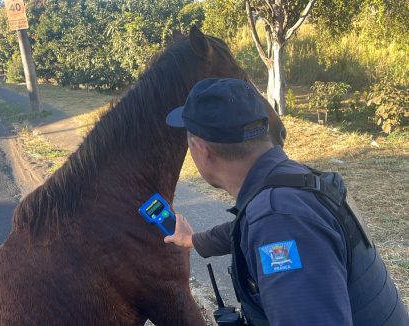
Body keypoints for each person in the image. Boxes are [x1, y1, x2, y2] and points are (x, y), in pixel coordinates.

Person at [164, 78, 409, 326]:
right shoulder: (290, 182)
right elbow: (241, 228)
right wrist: (193, 240)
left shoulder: (278, 218)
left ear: (201, 150)